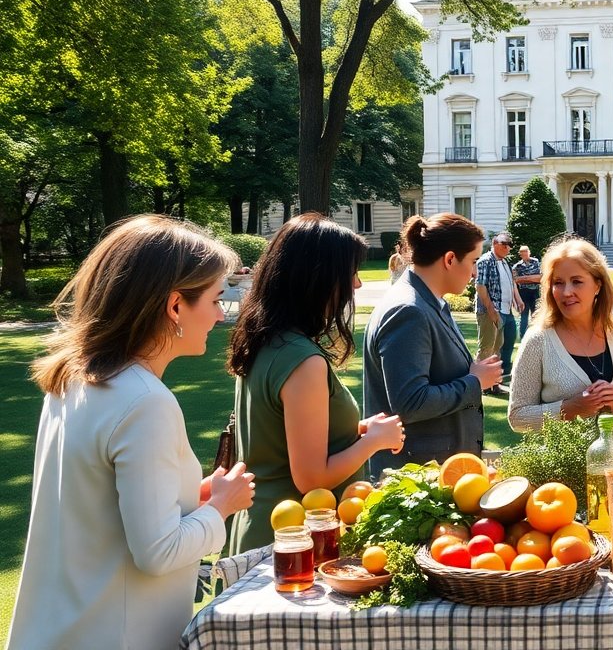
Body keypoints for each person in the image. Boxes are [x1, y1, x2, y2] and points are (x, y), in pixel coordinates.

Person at [9, 216, 256, 650]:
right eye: (216, 299)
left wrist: (195, 497)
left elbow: (99, 508)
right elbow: (158, 552)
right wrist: (221, 506)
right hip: (116, 635)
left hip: (56, 630)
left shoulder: (71, 380)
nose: (221, 315)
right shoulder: (145, 401)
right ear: (175, 306)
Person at [226, 214, 405, 554]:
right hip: (292, 543)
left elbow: (281, 435)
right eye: (350, 273)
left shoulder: (266, 340)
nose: (357, 285)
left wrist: (359, 430)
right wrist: (374, 442)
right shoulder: (303, 360)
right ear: (318, 278)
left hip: (264, 529)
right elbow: (311, 478)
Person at [364, 214, 502, 475]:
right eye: (473, 261)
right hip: (415, 479)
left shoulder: (427, 301)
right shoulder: (409, 310)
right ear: (449, 259)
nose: (475, 273)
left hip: (435, 473)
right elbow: (411, 402)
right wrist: (475, 382)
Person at [509, 238, 613, 448]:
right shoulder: (538, 340)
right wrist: (569, 409)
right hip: (560, 468)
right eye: (558, 283)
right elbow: (517, 417)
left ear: (598, 285)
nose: (566, 292)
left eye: (577, 281)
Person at [475, 231, 524, 390]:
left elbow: (512, 283)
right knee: (487, 349)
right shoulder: (485, 261)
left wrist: (518, 299)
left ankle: (494, 383)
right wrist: (491, 311)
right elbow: (480, 286)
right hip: (490, 311)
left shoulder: (505, 262)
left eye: (510, 245)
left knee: (498, 349)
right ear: (495, 244)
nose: (508, 248)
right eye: (505, 245)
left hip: (505, 311)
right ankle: (479, 385)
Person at [513, 244, 542, 339]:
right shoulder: (517, 266)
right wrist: (532, 278)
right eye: (522, 253)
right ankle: (523, 337)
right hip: (523, 293)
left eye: (526, 252)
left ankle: (536, 336)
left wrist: (524, 278)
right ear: (520, 255)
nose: (524, 255)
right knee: (524, 316)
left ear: (529, 252)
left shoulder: (536, 262)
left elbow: (540, 277)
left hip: (535, 292)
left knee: (536, 314)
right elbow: (515, 280)